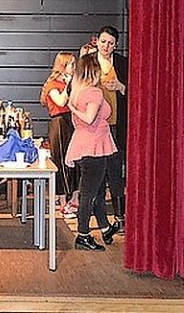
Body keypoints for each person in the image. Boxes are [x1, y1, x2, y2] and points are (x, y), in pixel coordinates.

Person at [65, 54, 120, 251]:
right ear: (95, 72)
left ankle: (105, 228)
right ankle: (83, 235)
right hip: (94, 148)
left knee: (97, 191)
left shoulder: (78, 92)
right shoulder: (94, 92)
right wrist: (73, 109)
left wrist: (73, 107)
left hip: (84, 145)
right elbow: (89, 118)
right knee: (89, 194)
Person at [95, 25, 128, 233]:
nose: (106, 46)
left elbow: (137, 91)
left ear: (115, 45)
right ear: (97, 41)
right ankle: (100, 219)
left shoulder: (123, 64)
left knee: (116, 171)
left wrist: (120, 87)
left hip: (116, 125)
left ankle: (119, 216)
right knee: (96, 172)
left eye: (110, 43)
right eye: (103, 42)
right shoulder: (88, 62)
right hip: (94, 127)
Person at [40, 52, 79, 217]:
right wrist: (69, 85)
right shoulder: (53, 84)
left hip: (73, 121)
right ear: (63, 66)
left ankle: (75, 198)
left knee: (75, 160)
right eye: (72, 64)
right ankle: (62, 200)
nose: (75, 68)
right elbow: (61, 102)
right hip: (60, 122)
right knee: (61, 161)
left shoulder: (74, 82)